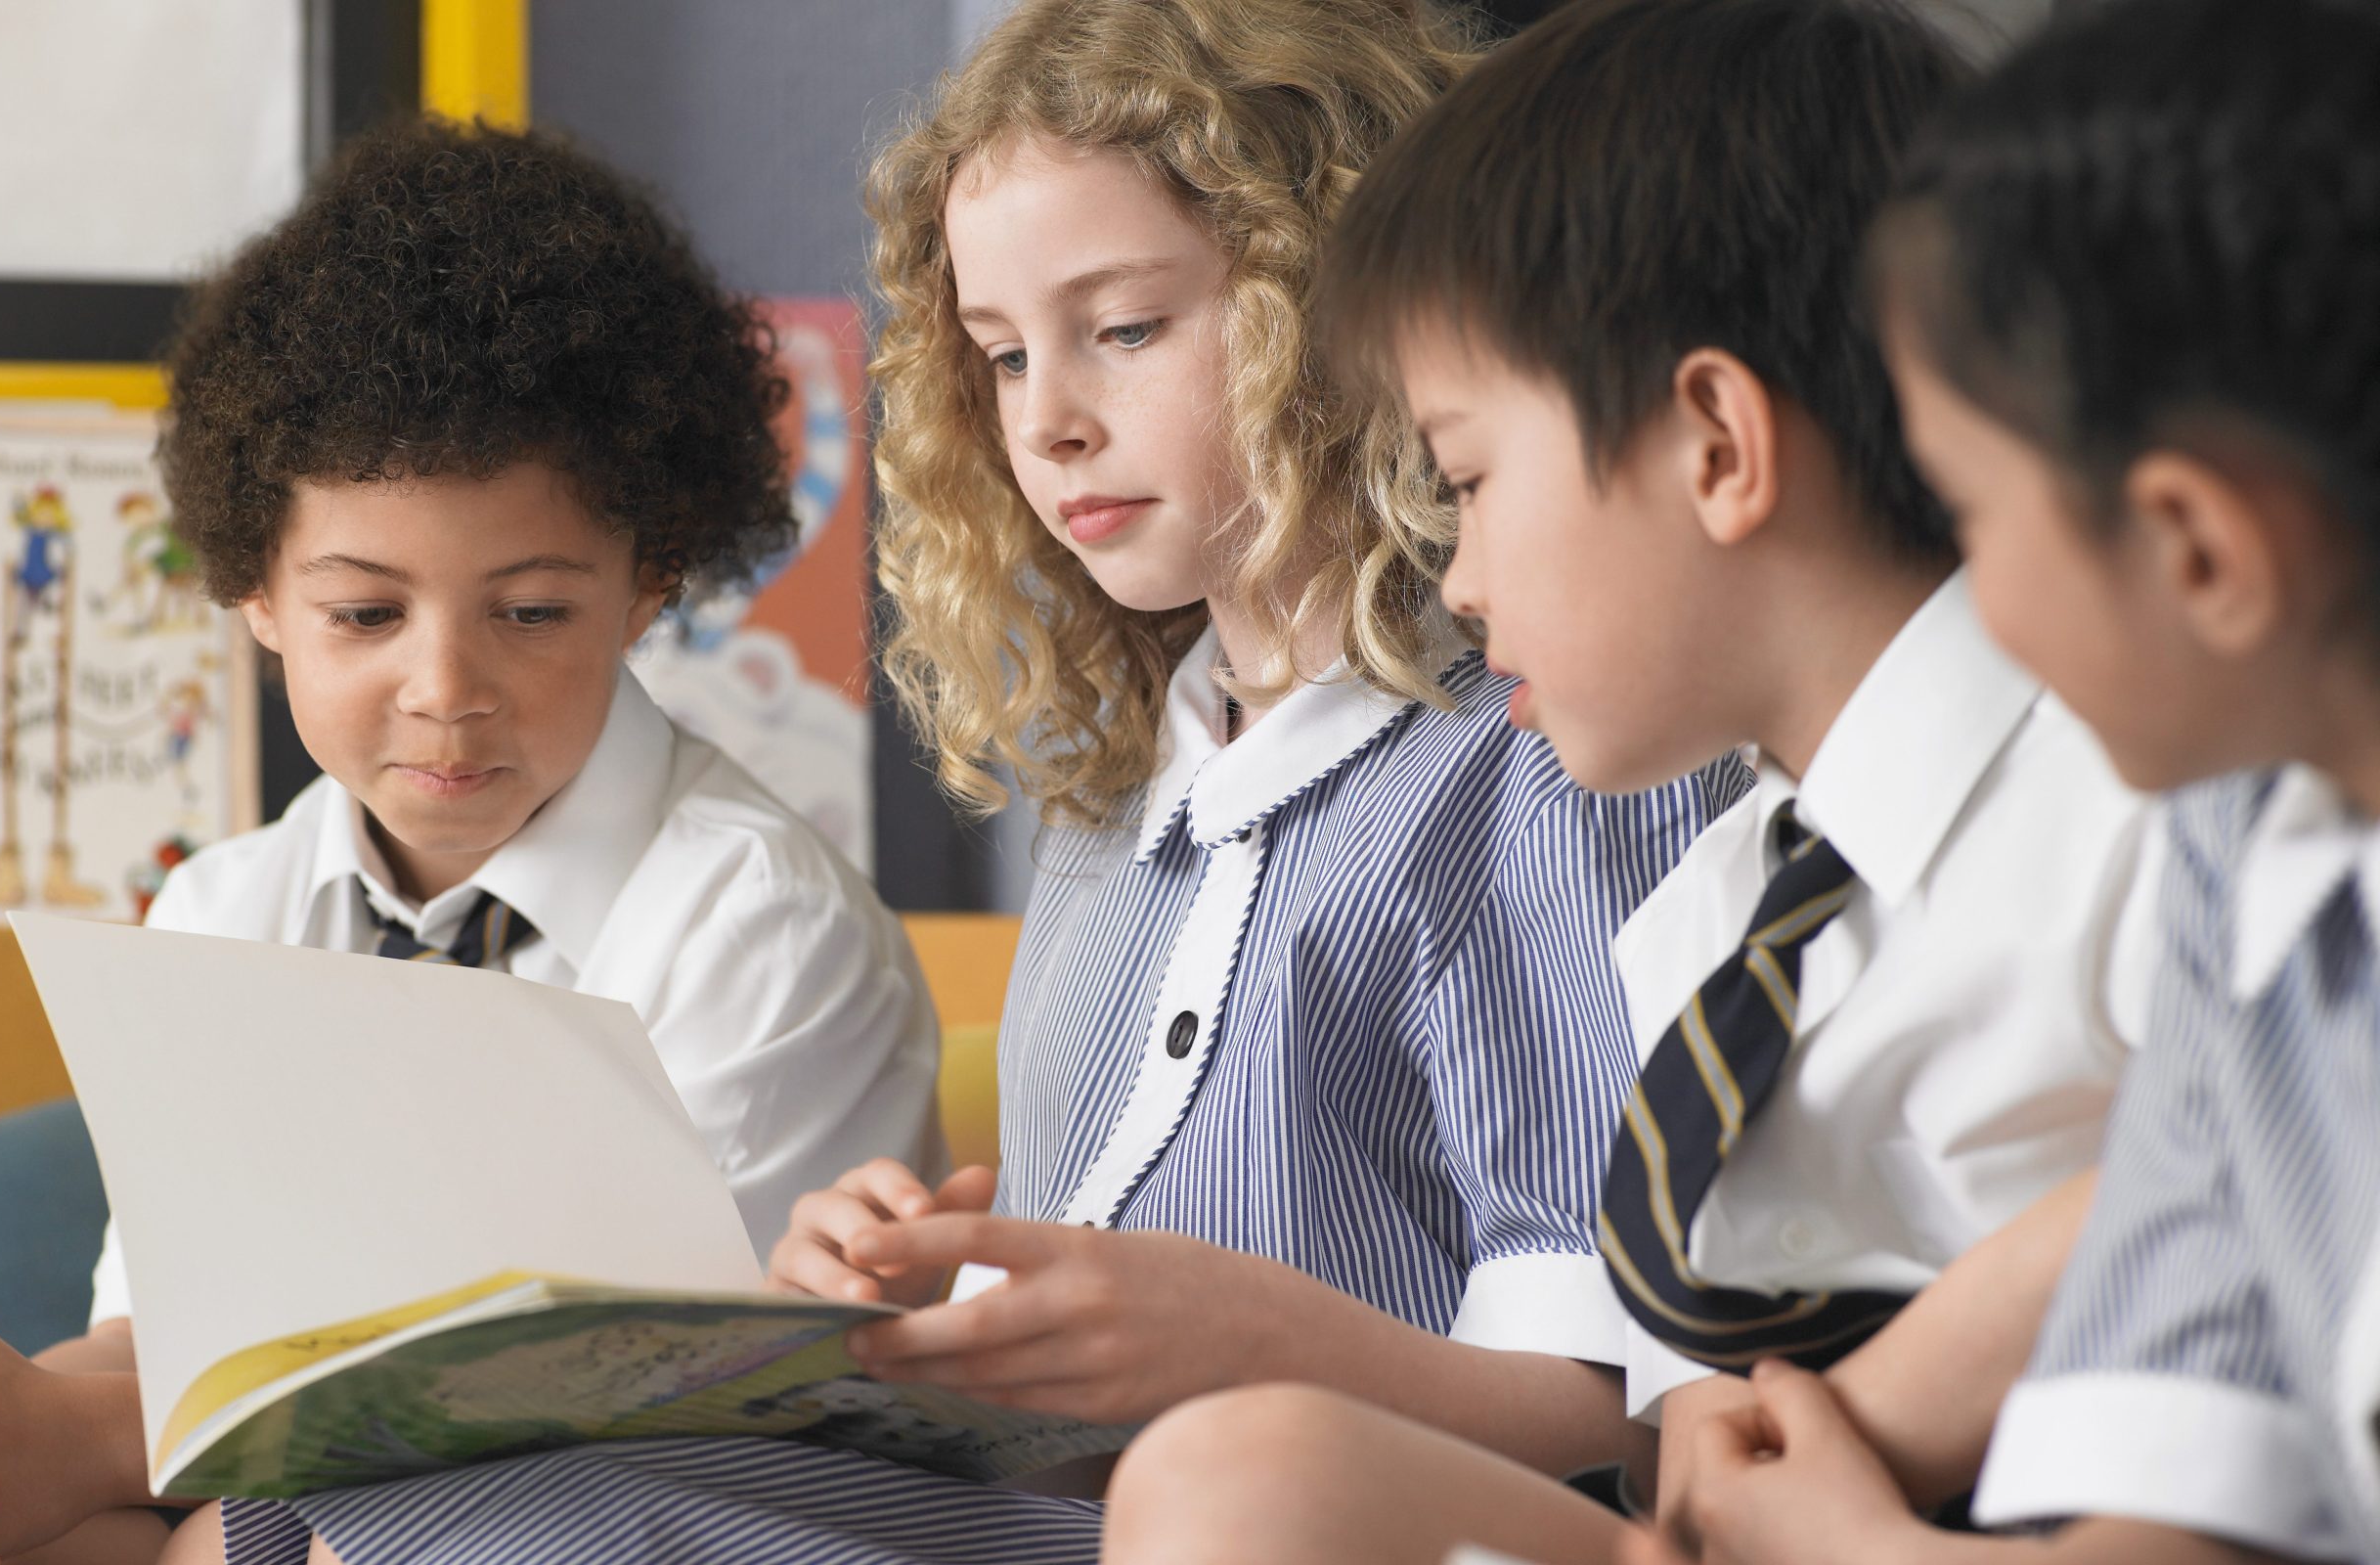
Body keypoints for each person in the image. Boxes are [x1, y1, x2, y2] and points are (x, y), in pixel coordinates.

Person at [155, 3, 1735, 1561]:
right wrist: (918, 1305)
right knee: (401, 1488)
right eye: (997, 354)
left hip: (1340, 1525)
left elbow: (1623, 1412)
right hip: (1055, 1518)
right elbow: (1058, 1343)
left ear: (1340, 301)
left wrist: (1242, 1340)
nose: (1047, 419)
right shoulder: (1121, 809)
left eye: (1123, 328)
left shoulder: (1549, 758)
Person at [1099, 4, 2156, 1560]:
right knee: (1240, 1479)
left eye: (1467, 481)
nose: (1456, 583)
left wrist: (1878, 1446)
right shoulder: (1712, 916)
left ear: (1718, 444)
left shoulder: (2133, 792)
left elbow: (2281, 1177)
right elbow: (1687, 1481)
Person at [0, 118, 940, 1565]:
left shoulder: (759, 928)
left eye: (534, 610)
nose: (446, 688)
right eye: (367, 615)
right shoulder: (218, 915)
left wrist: (70, 1442)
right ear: (254, 590)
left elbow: (593, 1409)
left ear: (650, 585)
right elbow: (150, 1342)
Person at [1659, 2, 2380, 1560]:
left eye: (1974, 519)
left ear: (2198, 550)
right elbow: (2188, 1488)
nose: (1970, 613)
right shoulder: (2243, 842)